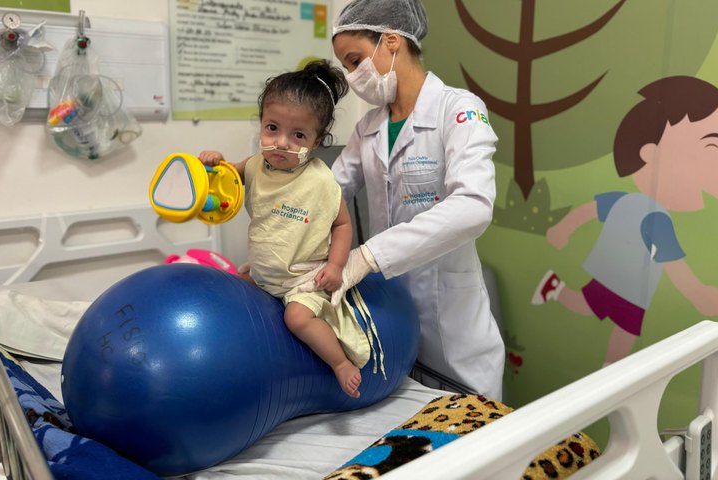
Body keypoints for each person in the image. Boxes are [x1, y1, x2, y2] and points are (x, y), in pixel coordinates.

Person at [292, 0, 505, 399]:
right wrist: (281, 233)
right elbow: (329, 192)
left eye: (356, 61)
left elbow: (474, 206)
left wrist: (367, 256)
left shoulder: (458, 110)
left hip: (454, 330)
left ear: (390, 41)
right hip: (389, 317)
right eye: (347, 67)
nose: (354, 77)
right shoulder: (370, 126)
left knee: (472, 437)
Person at [198, 60, 371, 398]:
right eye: (272, 128)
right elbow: (224, 181)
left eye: (298, 135)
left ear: (317, 140)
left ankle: (339, 363)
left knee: (296, 319)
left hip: (301, 278)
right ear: (261, 124)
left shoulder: (320, 180)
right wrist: (213, 163)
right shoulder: (254, 166)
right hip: (264, 273)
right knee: (229, 289)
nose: (281, 143)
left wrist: (335, 267)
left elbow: (342, 224)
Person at [532, 75, 718, 366]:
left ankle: (557, 291)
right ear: (649, 155)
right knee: (598, 315)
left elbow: (589, 210)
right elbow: (674, 264)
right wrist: (698, 294)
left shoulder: (629, 202)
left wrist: (563, 229)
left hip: (623, 283)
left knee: (595, 312)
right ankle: (611, 372)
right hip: (626, 286)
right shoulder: (656, 218)